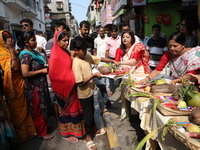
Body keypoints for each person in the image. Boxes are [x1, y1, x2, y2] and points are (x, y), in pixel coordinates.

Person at [72, 38, 118, 150]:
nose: (86, 51)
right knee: (87, 116)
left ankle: (95, 129)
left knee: (91, 111)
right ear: (76, 50)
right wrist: (93, 75)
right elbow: (79, 82)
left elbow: (99, 58)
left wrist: (113, 61)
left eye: (86, 49)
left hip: (90, 91)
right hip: (83, 94)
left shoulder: (86, 56)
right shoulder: (76, 63)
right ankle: (87, 137)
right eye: (83, 50)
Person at [49, 31, 86, 143]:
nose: (66, 42)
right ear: (57, 41)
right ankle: (66, 133)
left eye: (67, 40)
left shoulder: (65, 52)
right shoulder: (55, 55)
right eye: (64, 40)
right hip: (64, 89)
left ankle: (77, 131)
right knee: (66, 112)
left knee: (74, 109)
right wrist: (69, 80)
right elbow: (53, 75)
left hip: (71, 88)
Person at [0, 30, 36, 144]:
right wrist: (11, 49)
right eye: (8, 40)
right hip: (12, 89)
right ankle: (21, 136)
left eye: (11, 38)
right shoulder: (2, 54)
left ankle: (29, 132)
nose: (11, 41)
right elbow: (15, 67)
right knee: (17, 111)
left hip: (21, 84)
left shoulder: (14, 51)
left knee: (25, 108)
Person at [17, 31, 53, 140]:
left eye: (35, 39)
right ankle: (41, 132)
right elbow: (25, 73)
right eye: (33, 40)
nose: (35, 42)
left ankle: (44, 127)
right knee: (38, 109)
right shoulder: (26, 55)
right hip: (34, 88)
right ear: (26, 43)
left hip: (41, 85)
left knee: (44, 107)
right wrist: (42, 71)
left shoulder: (34, 52)